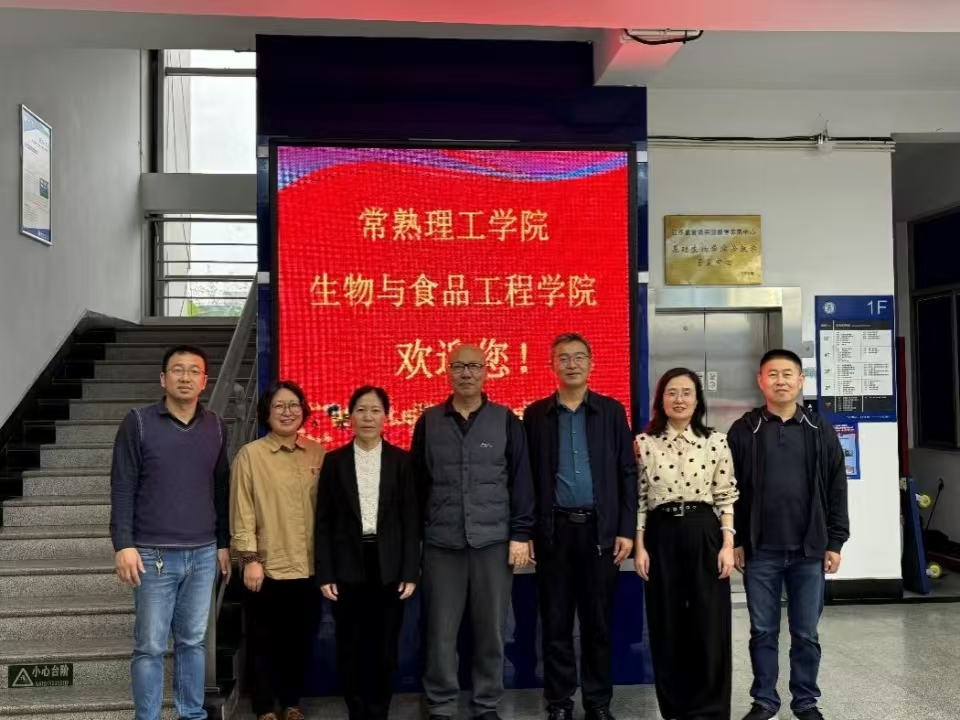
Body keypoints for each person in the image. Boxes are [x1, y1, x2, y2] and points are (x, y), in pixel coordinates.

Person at [411, 344, 536, 720]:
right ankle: (441, 704)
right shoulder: (429, 421)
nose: (466, 373)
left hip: (492, 543)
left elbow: (522, 481)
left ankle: (486, 703)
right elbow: (417, 485)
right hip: (441, 544)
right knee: (440, 631)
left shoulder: (506, 420)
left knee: (491, 631)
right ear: (447, 371)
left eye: (474, 366)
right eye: (458, 366)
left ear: (486, 371)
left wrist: (520, 534)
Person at [110, 344, 232, 720]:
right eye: (178, 370)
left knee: (193, 641)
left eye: (194, 371)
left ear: (204, 381)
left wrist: (223, 543)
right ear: (163, 379)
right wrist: (123, 544)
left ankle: (191, 714)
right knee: (149, 645)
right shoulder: (138, 422)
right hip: (152, 554)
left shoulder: (216, 426)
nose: (185, 377)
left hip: (203, 553)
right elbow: (123, 485)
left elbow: (220, 488)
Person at [728, 349, 850, 720]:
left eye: (787, 374)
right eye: (772, 374)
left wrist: (835, 541)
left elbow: (836, 487)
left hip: (808, 549)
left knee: (806, 633)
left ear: (800, 381)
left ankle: (805, 701)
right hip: (760, 549)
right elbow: (729, 489)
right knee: (763, 631)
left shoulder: (819, 429)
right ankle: (765, 700)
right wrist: (736, 540)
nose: (780, 381)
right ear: (760, 381)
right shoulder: (744, 429)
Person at [522, 333, 637, 720]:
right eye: (563, 358)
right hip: (553, 533)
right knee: (555, 623)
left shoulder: (611, 411)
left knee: (597, 624)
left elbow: (627, 472)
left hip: (600, 533)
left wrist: (625, 528)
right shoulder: (536, 415)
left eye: (578, 357)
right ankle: (558, 702)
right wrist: (529, 530)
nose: (571, 364)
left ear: (591, 363)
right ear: (551, 365)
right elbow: (527, 478)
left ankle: (598, 703)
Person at [635, 368, 739, 720]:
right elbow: (640, 499)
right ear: (661, 400)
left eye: (686, 392)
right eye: (671, 392)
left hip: (703, 530)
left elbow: (725, 497)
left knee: (709, 622)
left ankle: (710, 710)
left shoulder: (716, 441)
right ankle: (675, 709)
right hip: (660, 534)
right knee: (666, 623)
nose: (679, 399)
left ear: (697, 401)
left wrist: (727, 544)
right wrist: (640, 546)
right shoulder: (644, 443)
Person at [315, 386, 420, 720]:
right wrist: (326, 572)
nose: (368, 417)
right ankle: (357, 711)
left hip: (389, 565)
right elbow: (324, 521)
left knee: (385, 647)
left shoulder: (401, 461)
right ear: (350, 417)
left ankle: (379, 710)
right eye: (361, 410)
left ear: (386, 417)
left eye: (375, 410)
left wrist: (410, 570)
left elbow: (411, 520)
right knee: (350, 646)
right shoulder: (334, 461)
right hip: (348, 564)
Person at [230, 380, 326, 720]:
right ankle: (263, 708)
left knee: (299, 641)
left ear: (304, 411)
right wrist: (250, 558)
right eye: (279, 406)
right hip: (266, 566)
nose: (287, 412)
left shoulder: (318, 453)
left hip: (309, 566)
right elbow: (242, 509)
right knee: (262, 641)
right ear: (266, 413)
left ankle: (291, 703)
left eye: (294, 405)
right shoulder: (250, 455)